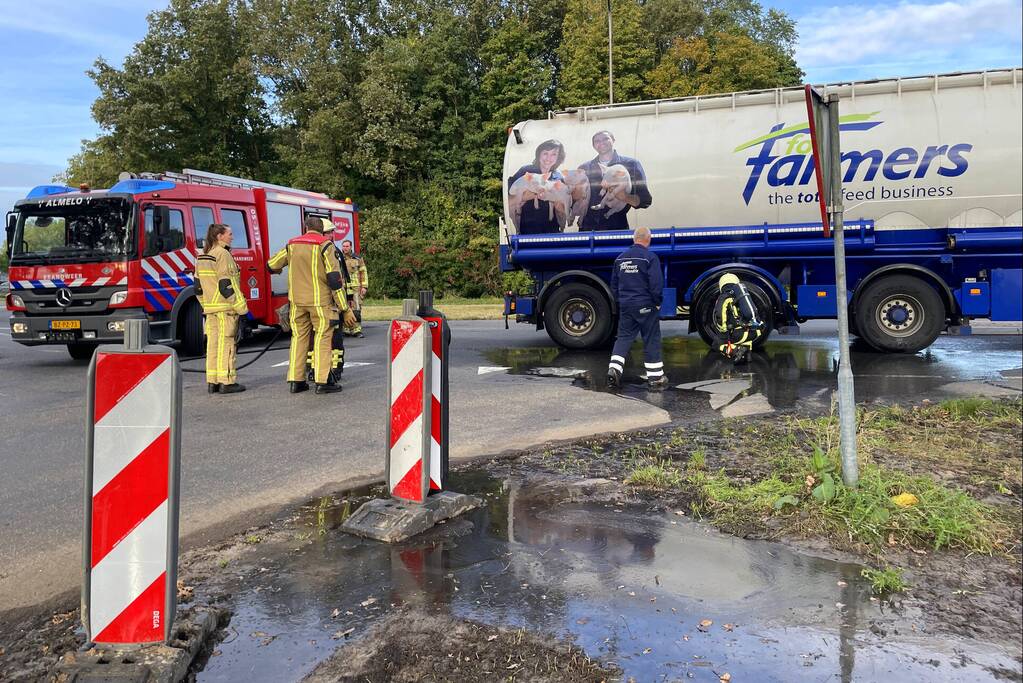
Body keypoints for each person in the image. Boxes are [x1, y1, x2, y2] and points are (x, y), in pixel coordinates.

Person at [267, 216, 357, 394]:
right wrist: (344, 308)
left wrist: (281, 270)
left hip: (297, 302)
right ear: (321, 229)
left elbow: (271, 265)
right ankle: (323, 381)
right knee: (323, 339)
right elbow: (334, 279)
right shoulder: (325, 245)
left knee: (299, 339)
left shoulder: (292, 244)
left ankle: (296, 380)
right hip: (320, 303)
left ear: (306, 227)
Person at [607, 226, 666, 390]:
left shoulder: (620, 259)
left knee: (623, 338)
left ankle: (614, 370)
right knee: (651, 338)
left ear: (634, 239)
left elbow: (614, 285)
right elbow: (656, 283)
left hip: (627, 306)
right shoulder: (650, 258)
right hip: (646, 305)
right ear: (648, 239)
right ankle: (655, 378)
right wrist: (657, 301)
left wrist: (622, 301)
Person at [195, 223, 249, 394]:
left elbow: (197, 287)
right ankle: (226, 381)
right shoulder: (223, 254)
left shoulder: (203, 256)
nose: (232, 237)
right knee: (227, 344)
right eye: (230, 234)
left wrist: (206, 304)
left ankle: (213, 382)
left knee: (213, 345)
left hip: (210, 309)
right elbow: (227, 285)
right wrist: (242, 309)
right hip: (226, 309)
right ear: (219, 236)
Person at [578, 130, 652, 231]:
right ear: (593, 145)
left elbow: (645, 200)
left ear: (613, 140)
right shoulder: (584, 168)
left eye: (605, 139)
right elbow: (575, 200)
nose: (601, 143)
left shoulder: (631, 165)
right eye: (597, 141)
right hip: (587, 229)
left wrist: (624, 197)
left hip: (617, 228)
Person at [507, 139, 566, 234]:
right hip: (527, 231)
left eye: (554, 154)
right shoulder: (525, 171)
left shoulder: (558, 177)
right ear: (539, 154)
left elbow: (563, 209)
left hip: (552, 231)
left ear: (558, 157)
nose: (548, 158)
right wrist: (528, 196)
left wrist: (557, 201)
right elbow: (508, 199)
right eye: (545, 153)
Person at [713, 273, 764, 363]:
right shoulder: (743, 294)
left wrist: (723, 330)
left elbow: (719, 316)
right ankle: (747, 354)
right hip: (754, 332)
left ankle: (736, 351)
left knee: (716, 344)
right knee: (744, 336)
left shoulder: (724, 297)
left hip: (739, 334)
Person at [340, 239, 369, 337]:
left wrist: (364, 286)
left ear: (351, 247)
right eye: (343, 246)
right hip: (344, 288)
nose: (345, 248)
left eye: (347, 246)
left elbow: (363, 272)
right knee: (345, 308)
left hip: (356, 288)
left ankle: (357, 330)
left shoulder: (357, 258)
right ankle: (347, 329)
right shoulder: (339, 258)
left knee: (356, 309)